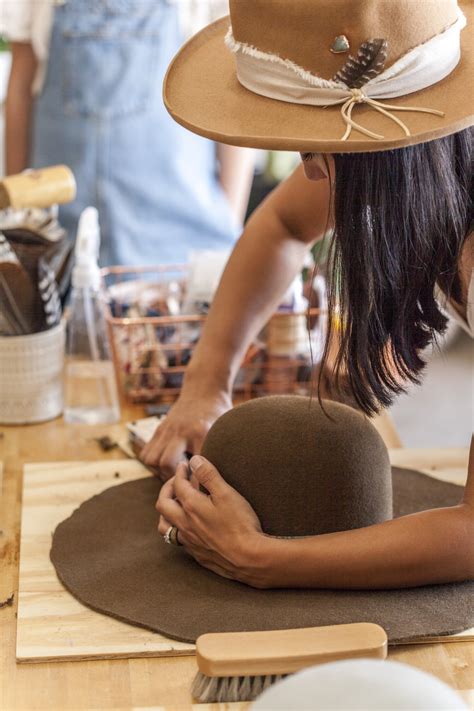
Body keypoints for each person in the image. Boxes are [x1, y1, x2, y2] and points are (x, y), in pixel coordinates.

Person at [145, 0, 474, 590]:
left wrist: (259, 557)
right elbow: (281, 227)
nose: (312, 172)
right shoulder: (432, 155)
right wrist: (204, 385)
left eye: (315, 148)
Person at [1, 0, 254, 265]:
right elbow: (21, 85)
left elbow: (231, 88)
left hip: (182, 238)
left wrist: (228, 219)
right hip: (58, 239)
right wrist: (16, 221)